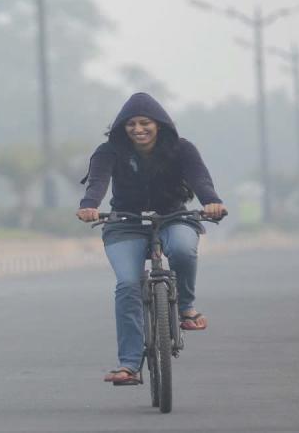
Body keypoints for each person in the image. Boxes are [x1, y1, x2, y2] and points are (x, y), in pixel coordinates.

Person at [76, 92, 226, 385]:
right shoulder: (109, 151)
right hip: (125, 222)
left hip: (174, 217)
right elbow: (97, 182)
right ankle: (129, 365)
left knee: (182, 250)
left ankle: (186, 308)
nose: (138, 129)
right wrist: (89, 205)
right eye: (131, 124)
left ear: (159, 124)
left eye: (145, 123)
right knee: (127, 285)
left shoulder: (181, 149)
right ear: (122, 127)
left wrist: (212, 202)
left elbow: (200, 179)